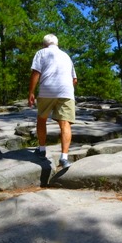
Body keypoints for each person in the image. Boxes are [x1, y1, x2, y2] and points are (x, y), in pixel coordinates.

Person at [28, 34, 77, 169]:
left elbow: (36, 73)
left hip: (47, 90)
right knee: (65, 123)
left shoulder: (41, 53)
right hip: (66, 91)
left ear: (45, 44)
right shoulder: (66, 56)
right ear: (57, 43)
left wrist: (31, 92)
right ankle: (64, 158)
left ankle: (42, 149)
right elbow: (74, 80)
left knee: (42, 118)